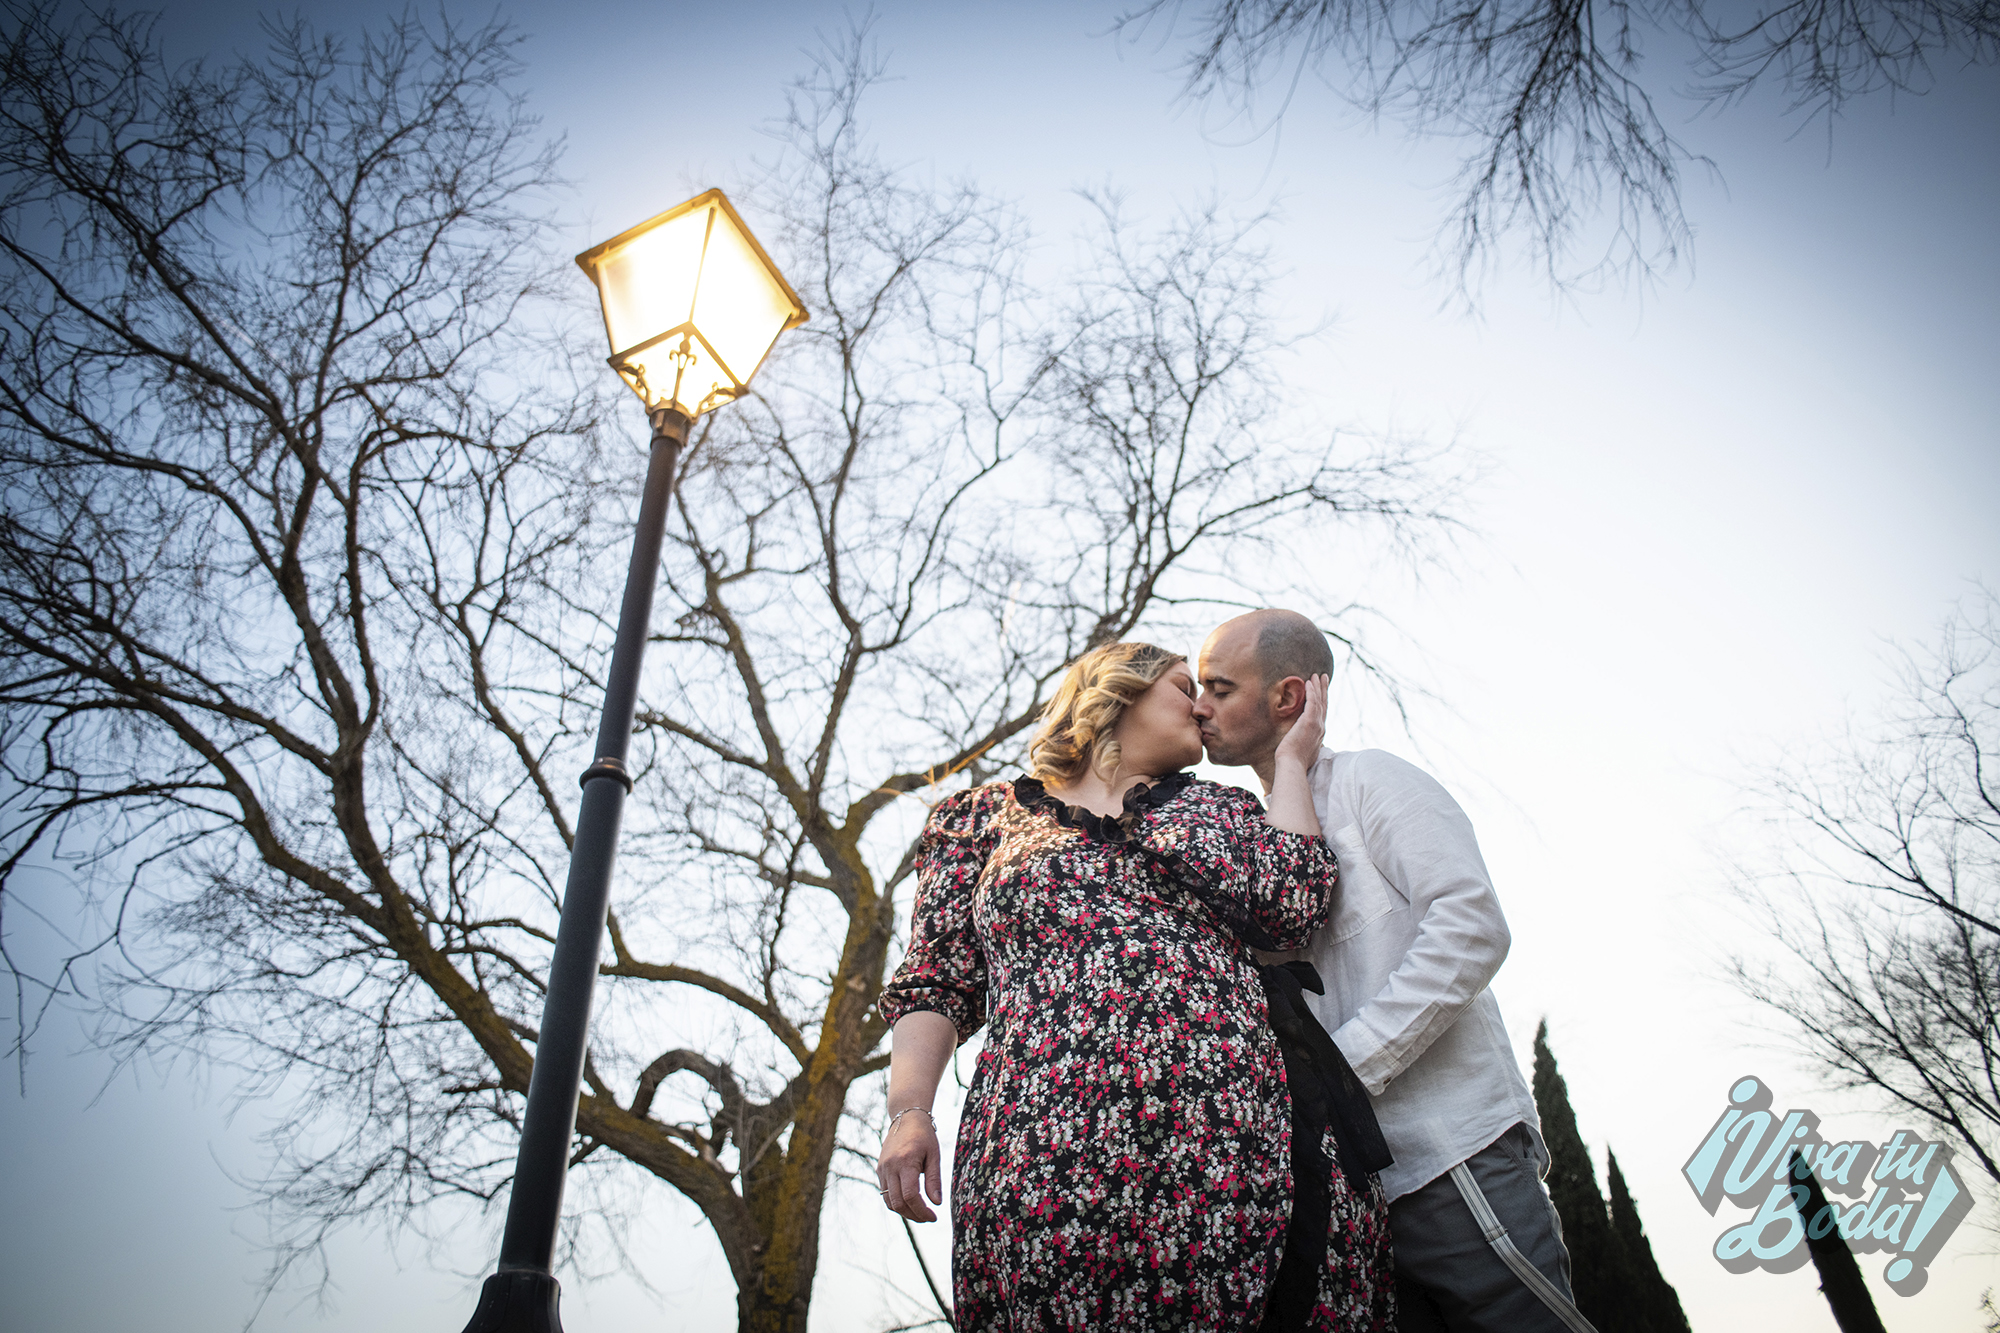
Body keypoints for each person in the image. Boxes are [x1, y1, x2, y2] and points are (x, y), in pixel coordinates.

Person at [875, 641, 1396, 1332]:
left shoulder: (1221, 808)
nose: (1204, 707)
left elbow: (1293, 899)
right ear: (1119, 691)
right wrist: (910, 1110)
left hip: (1227, 1151)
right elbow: (935, 980)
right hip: (1037, 1149)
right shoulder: (980, 820)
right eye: (1187, 686)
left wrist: (1293, 761)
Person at [1192, 610, 1596, 1333]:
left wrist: (1346, 1068)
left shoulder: (1370, 780)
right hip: (1354, 1205)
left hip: (1449, 1156)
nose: (1199, 705)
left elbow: (1471, 925)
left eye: (1220, 687)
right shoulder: (1252, 843)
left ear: (1288, 698)